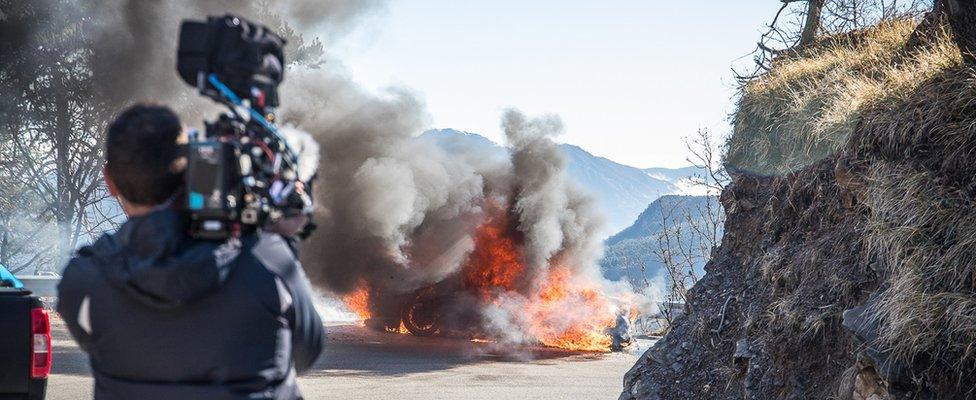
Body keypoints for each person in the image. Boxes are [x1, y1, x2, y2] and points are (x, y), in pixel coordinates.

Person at [57, 104, 324, 400]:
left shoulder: (83, 280)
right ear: (189, 174)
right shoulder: (268, 258)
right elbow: (305, 352)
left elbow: (96, 339)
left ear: (109, 181)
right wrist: (278, 239)